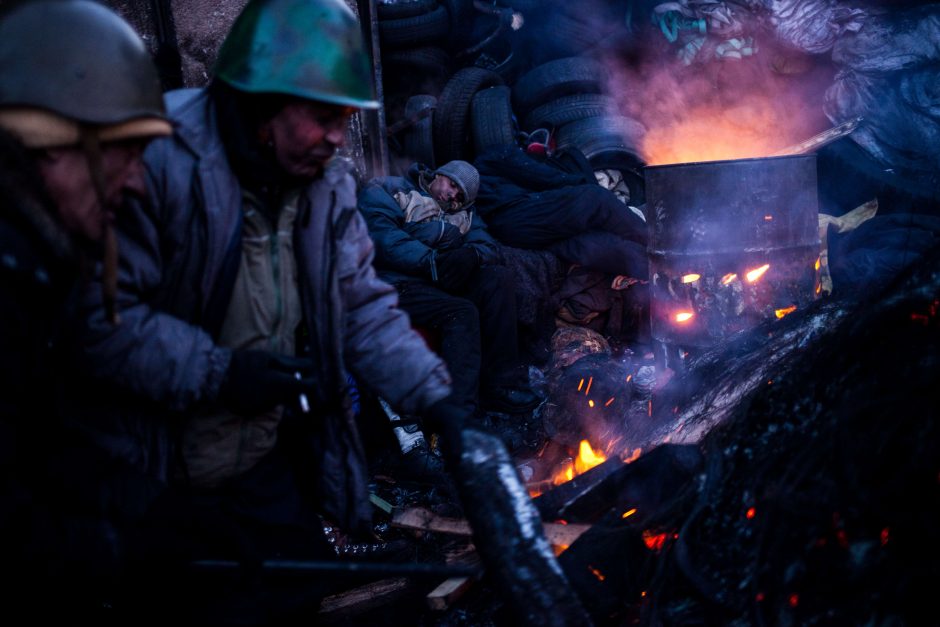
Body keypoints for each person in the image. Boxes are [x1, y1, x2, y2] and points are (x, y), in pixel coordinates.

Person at [73, 0, 461, 620]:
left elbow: (361, 306)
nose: (339, 138)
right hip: (153, 476)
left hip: (259, 458)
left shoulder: (324, 184)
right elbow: (98, 321)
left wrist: (442, 405)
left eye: (344, 118)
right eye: (323, 117)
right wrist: (222, 372)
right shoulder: (154, 159)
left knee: (291, 595)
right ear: (258, 104)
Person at [0, 0, 172, 615]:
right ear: (50, 147)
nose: (137, 182)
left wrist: (144, 503)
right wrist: (109, 548)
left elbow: (39, 440)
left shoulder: (34, 265)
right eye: (122, 153)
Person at [358, 160, 542, 418]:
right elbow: (382, 237)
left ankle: (501, 385)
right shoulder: (392, 188)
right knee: (461, 312)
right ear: (438, 174)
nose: (452, 195)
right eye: (452, 184)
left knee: (498, 279)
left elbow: (488, 247)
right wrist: (429, 256)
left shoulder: (465, 214)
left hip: (439, 281)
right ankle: (460, 415)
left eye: (459, 196)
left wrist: (471, 255)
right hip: (395, 283)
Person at [473, 136, 650, 279]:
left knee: (592, 246)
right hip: (515, 214)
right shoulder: (496, 155)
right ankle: (660, 245)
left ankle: (659, 270)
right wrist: (577, 184)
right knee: (594, 198)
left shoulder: (485, 179)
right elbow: (539, 175)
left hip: (512, 231)